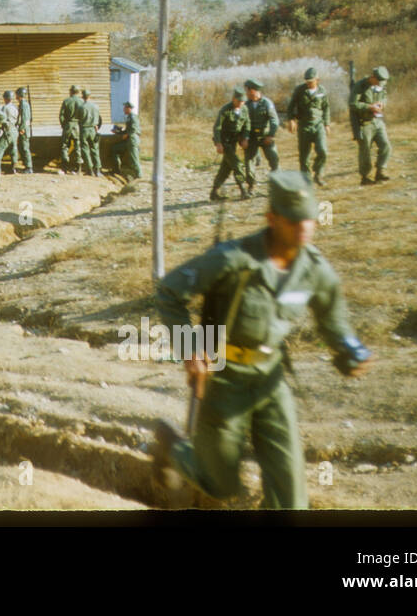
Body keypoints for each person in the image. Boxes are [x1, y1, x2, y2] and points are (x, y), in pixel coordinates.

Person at [152, 170, 374, 509]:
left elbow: (334, 322)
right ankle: (173, 447)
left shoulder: (314, 269)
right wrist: (190, 350)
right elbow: (169, 291)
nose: (303, 229)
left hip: (271, 381)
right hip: (225, 381)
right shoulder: (234, 258)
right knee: (220, 485)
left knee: (290, 495)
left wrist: (347, 350)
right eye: (293, 221)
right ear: (272, 218)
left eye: (309, 220)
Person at [287, 67, 330, 186]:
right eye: (307, 81)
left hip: (318, 124)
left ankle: (318, 174)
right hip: (304, 125)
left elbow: (326, 108)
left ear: (317, 80)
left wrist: (327, 124)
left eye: (311, 81)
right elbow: (291, 106)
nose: (309, 83)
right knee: (304, 155)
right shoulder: (300, 90)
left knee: (323, 151)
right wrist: (291, 120)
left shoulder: (322, 90)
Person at [352, 66, 391, 186]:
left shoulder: (381, 85)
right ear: (372, 77)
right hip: (365, 123)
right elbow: (353, 104)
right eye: (378, 81)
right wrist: (369, 107)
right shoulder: (360, 86)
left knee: (386, 146)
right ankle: (365, 177)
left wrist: (382, 104)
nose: (380, 84)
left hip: (378, 121)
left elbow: (384, 96)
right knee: (365, 152)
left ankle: (380, 171)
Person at [211, 87, 251, 201]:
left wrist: (245, 138)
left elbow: (247, 124)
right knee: (237, 165)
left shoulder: (244, 109)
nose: (241, 103)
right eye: (239, 101)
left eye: (243, 101)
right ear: (233, 99)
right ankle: (243, 190)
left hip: (233, 142)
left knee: (226, 168)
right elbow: (217, 127)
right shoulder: (225, 110)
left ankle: (213, 192)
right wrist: (218, 143)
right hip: (225, 142)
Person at [242, 79, 280, 189]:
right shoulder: (245, 105)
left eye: (247, 90)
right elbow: (242, 123)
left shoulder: (267, 103)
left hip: (265, 136)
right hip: (252, 137)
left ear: (253, 90)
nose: (246, 93)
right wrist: (244, 138)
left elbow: (274, 120)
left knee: (274, 158)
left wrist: (271, 135)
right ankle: (251, 186)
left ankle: (277, 184)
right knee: (249, 162)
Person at [110, 101, 140, 179]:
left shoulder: (133, 117)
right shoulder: (129, 117)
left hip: (132, 140)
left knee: (134, 159)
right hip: (129, 140)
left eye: (125, 108)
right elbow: (127, 130)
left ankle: (139, 176)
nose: (123, 109)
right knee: (114, 149)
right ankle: (116, 170)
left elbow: (134, 129)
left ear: (128, 108)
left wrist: (126, 134)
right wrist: (118, 131)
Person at [78, 88, 102, 177]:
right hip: (93, 129)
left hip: (84, 129)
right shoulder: (96, 106)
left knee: (85, 149)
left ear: (82, 96)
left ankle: (90, 169)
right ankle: (98, 169)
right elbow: (99, 119)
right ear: (90, 96)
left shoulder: (81, 107)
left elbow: (78, 118)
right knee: (95, 149)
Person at [59, 85, 82, 173]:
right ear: (78, 92)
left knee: (65, 146)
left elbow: (61, 115)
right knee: (77, 146)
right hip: (77, 126)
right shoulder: (81, 102)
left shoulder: (66, 101)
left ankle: (65, 167)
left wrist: (63, 124)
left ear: (71, 91)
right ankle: (78, 167)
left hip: (68, 125)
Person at [15, 87, 34, 173]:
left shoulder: (24, 104)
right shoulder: (22, 104)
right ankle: (26, 165)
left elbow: (25, 118)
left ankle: (29, 167)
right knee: (22, 147)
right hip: (23, 129)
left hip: (24, 129)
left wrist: (22, 129)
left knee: (25, 148)